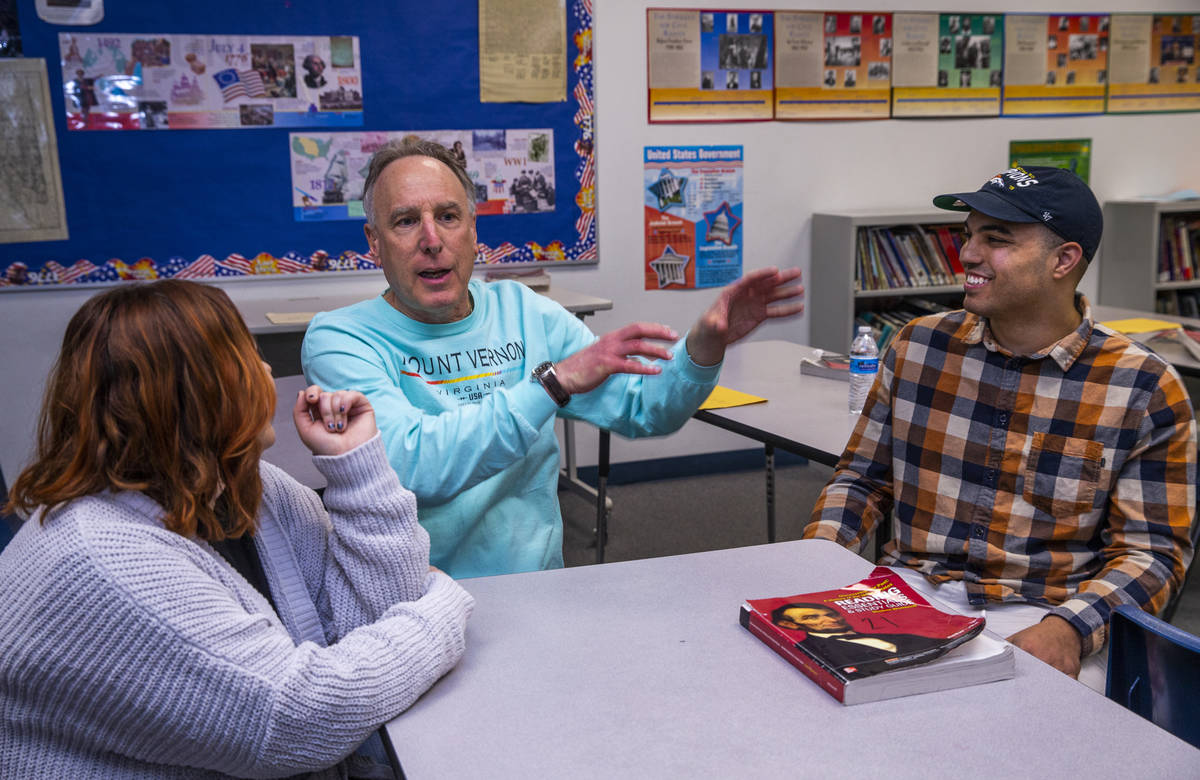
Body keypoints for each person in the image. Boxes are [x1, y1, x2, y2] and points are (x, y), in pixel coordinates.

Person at [0, 280, 474, 778]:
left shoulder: (246, 484)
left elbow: (370, 618)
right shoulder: (99, 561)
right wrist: (440, 606)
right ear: (193, 393)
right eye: (246, 355)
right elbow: (299, 721)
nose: (268, 370)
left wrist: (356, 464)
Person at [302, 137, 804, 578]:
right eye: (406, 221)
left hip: (536, 587)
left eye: (448, 217)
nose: (432, 240)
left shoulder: (526, 313)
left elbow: (643, 406)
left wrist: (704, 344)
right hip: (415, 605)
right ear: (374, 242)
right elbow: (411, 467)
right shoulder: (340, 339)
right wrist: (552, 384)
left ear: (473, 229)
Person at [804, 166, 1196, 693]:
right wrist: (814, 559)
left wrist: (1070, 630)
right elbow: (862, 480)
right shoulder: (919, 346)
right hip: (903, 594)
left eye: (997, 239)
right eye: (969, 235)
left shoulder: (1144, 386)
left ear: (1064, 260)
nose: (967, 254)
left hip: (1043, 613)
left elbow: (1152, 552)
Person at [770, 603, 946, 668]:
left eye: (830, 614)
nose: (830, 619)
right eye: (811, 617)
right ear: (790, 625)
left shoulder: (899, 634)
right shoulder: (810, 651)